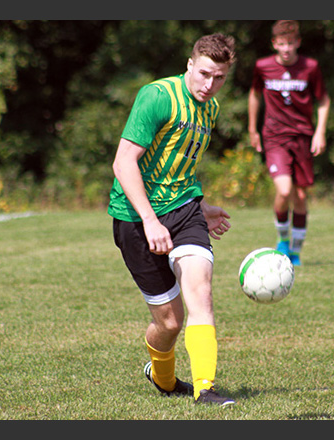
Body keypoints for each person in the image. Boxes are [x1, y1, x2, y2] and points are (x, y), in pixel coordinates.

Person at [108, 33, 237, 406]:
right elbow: (123, 162)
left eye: (220, 78)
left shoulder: (209, 109)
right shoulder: (158, 97)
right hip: (136, 218)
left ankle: (205, 389)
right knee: (169, 323)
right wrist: (150, 221)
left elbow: (180, 166)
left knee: (201, 291)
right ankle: (162, 379)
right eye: (205, 74)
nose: (210, 85)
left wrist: (201, 206)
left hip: (183, 212)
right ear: (190, 65)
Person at [248, 20, 331, 266]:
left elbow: (324, 100)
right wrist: (253, 129)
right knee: (284, 190)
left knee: (301, 198)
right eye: (281, 44)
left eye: (290, 43)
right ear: (274, 44)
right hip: (274, 137)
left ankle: (295, 251)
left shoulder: (310, 67)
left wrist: (320, 132)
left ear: (298, 43)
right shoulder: (262, 66)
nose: (286, 49)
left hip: (303, 137)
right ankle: (282, 241)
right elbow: (254, 94)